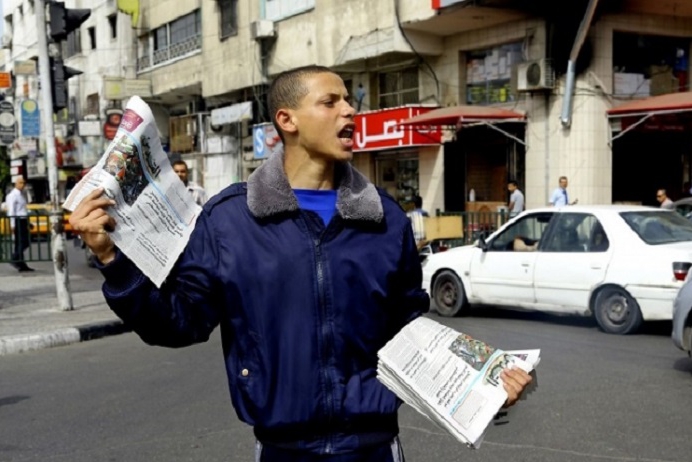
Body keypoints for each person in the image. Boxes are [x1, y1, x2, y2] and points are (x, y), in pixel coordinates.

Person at [69, 65, 532, 461]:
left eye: (348, 101)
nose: (349, 111)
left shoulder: (385, 218)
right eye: (330, 102)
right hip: (282, 449)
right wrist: (112, 259)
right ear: (286, 120)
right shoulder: (231, 220)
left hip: (374, 447)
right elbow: (179, 322)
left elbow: (411, 332)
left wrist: (483, 386)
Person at [6, 177, 35, 272]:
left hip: (23, 220)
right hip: (18, 220)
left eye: (24, 183)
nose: (23, 185)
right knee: (23, 242)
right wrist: (12, 224)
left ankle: (21, 264)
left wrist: (28, 223)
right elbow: (11, 211)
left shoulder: (21, 194)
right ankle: (15, 258)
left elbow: (23, 210)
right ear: (16, 184)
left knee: (21, 243)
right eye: (20, 183)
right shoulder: (12, 195)